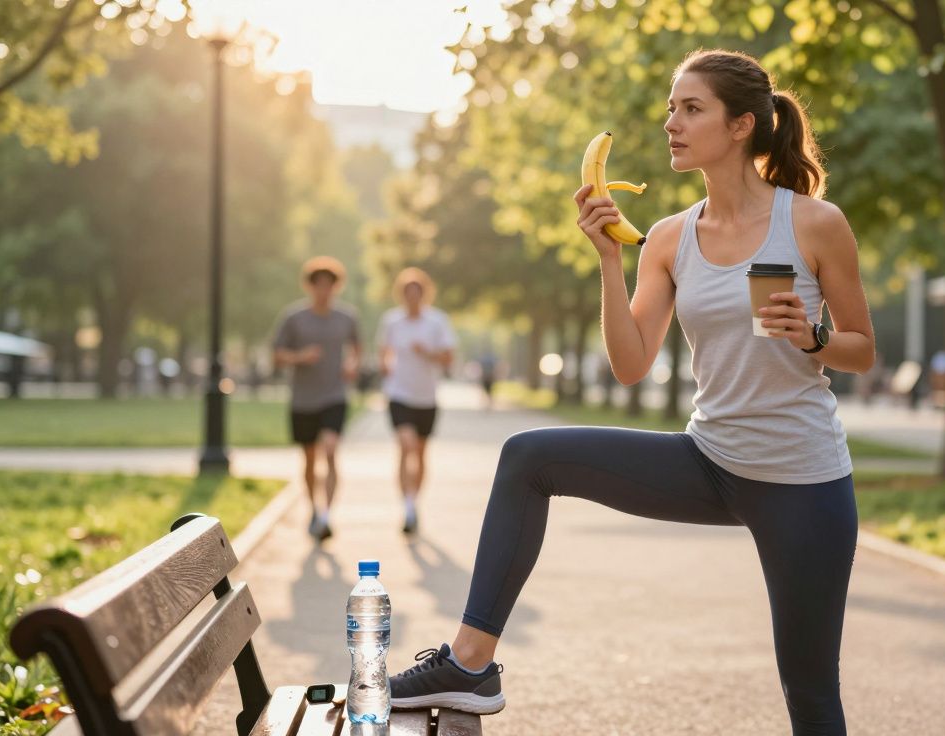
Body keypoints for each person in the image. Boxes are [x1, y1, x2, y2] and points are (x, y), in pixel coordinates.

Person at [388, 50, 875, 735]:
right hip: (711, 463)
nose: (671, 123)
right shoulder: (670, 239)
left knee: (811, 691)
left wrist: (814, 338)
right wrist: (609, 261)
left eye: (691, 109)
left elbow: (863, 349)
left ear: (741, 125)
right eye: (671, 108)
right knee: (529, 457)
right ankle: (470, 664)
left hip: (803, 481)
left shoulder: (815, 224)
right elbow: (629, 363)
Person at [272, 256, 360, 542]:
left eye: (329, 285)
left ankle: (326, 516)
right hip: (303, 399)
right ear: (310, 286)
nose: (324, 290)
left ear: (336, 287)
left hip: (334, 395)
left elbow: (357, 347)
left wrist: (352, 364)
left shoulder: (347, 317)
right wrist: (300, 357)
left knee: (331, 450)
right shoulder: (294, 318)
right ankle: (313, 508)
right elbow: (276, 355)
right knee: (309, 458)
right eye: (318, 284)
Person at [377, 267, 457, 534]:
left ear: (424, 294)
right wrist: (385, 366)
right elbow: (384, 352)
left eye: (417, 292)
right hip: (399, 394)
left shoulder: (437, 321)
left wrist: (427, 353)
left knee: (421, 452)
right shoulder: (392, 321)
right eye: (407, 292)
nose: (412, 296)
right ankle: (407, 506)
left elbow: (448, 358)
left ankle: (414, 501)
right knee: (405, 445)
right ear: (401, 294)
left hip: (426, 397)